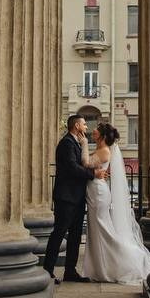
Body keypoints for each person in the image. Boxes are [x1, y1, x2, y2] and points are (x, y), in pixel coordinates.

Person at [81, 122, 150, 283]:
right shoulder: (101, 149)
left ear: (102, 135)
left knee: (102, 228)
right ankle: (101, 267)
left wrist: (83, 144)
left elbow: (85, 163)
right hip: (95, 191)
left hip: (98, 192)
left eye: (96, 129)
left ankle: (128, 257)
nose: (92, 130)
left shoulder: (104, 151)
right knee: (97, 229)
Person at [43, 115, 107, 284]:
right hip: (66, 197)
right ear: (77, 126)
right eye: (84, 124)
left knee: (76, 236)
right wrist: (93, 174)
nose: (86, 127)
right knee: (59, 233)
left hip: (77, 197)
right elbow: (72, 168)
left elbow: (82, 164)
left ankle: (70, 271)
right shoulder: (66, 143)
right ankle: (47, 270)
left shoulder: (76, 143)